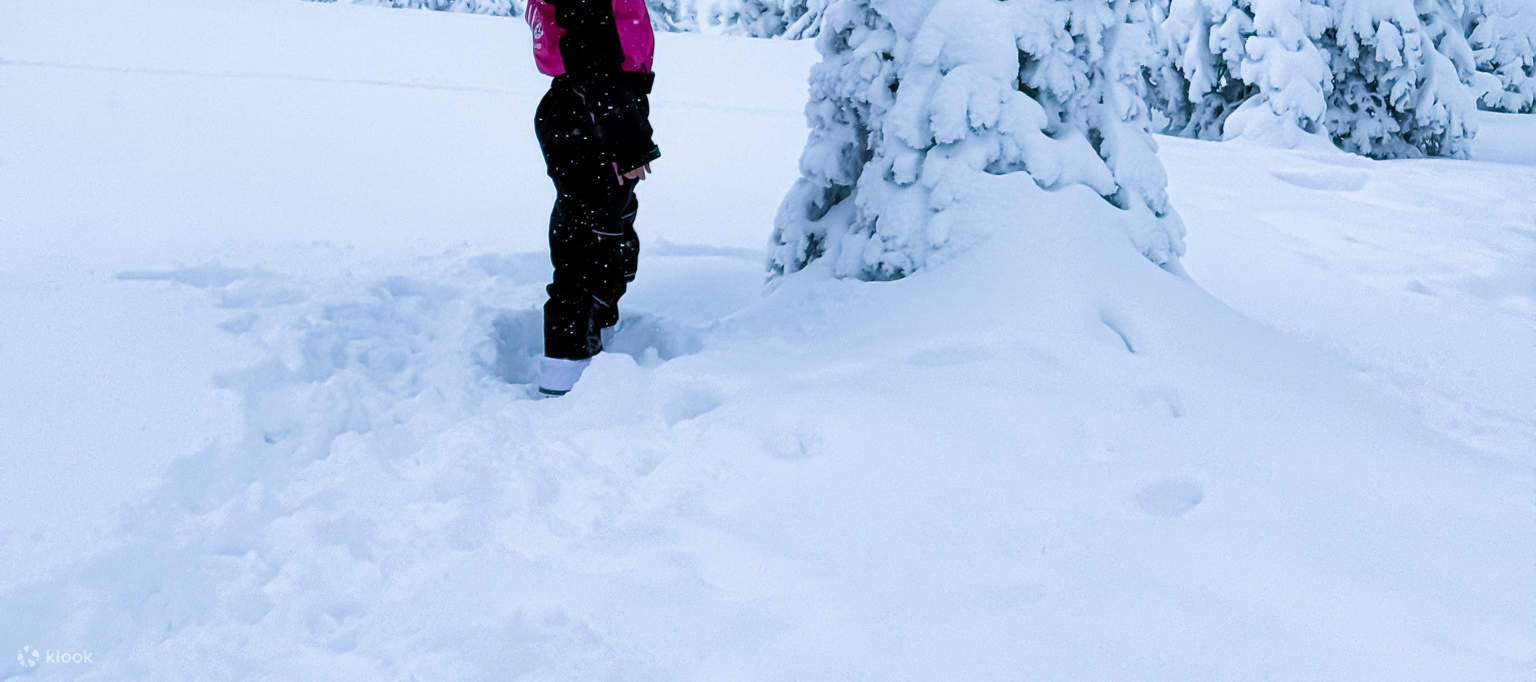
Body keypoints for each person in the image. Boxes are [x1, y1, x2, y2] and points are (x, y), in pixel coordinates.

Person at [526, 0, 661, 396]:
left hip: (590, 106)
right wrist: (627, 140)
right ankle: (568, 370)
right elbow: (590, 53)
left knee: (602, 226)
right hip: (593, 110)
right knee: (589, 238)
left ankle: (595, 337)